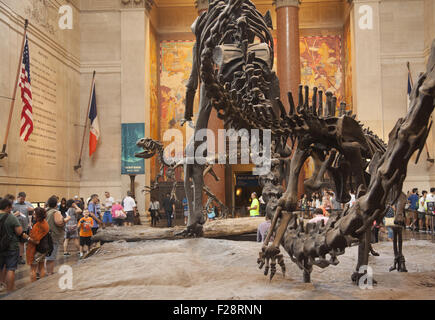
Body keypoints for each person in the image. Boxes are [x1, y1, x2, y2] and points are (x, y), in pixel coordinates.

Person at [0, 198, 29, 293]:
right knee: (10, 268)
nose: (12, 208)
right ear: (7, 207)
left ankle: (1, 285)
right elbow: (19, 231)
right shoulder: (11, 217)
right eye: (11, 206)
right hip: (11, 246)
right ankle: (10, 289)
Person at [45, 196, 71, 275]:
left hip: (46, 236)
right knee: (51, 257)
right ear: (56, 204)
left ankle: (46, 272)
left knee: (47, 256)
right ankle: (50, 273)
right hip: (53, 236)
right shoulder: (55, 212)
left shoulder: (46, 211)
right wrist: (67, 219)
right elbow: (59, 222)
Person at [26, 207, 49, 282]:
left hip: (37, 250)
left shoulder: (38, 225)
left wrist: (27, 237)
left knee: (33, 269)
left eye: (35, 214)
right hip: (44, 248)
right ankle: (41, 285)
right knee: (41, 267)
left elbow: (36, 241)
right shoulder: (45, 222)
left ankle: (33, 287)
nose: (33, 215)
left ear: (39, 215)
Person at [12, 192, 34, 265]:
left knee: (22, 242)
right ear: (18, 197)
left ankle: (20, 257)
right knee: (14, 242)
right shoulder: (13, 204)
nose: (23, 200)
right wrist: (15, 214)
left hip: (24, 227)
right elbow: (8, 215)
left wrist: (32, 209)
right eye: (21, 199)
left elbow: (33, 210)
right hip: (14, 227)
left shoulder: (27, 203)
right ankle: (14, 257)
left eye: (24, 199)